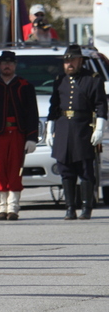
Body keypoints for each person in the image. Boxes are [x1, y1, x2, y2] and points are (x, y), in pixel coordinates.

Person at [46, 45, 107, 220]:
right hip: (63, 128)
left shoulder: (92, 79)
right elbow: (54, 107)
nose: (69, 64)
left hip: (83, 128)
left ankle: (87, 206)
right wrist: (50, 130)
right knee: (65, 169)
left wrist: (100, 128)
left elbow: (101, 105)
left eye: (72, 60)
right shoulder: (60, 80)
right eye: (66, 61)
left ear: (80, 61)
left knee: (85, 170)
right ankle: (70, 207)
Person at [0, 51, 39, 220]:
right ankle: (1, 206)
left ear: (15, 65)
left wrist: (32, 138)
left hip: (18, 134)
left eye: (10, 63)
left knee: (15, 169)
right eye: (4, 63)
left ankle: (13, 207)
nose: (7, 66)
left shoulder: (25, 86)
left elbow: (32, 114)